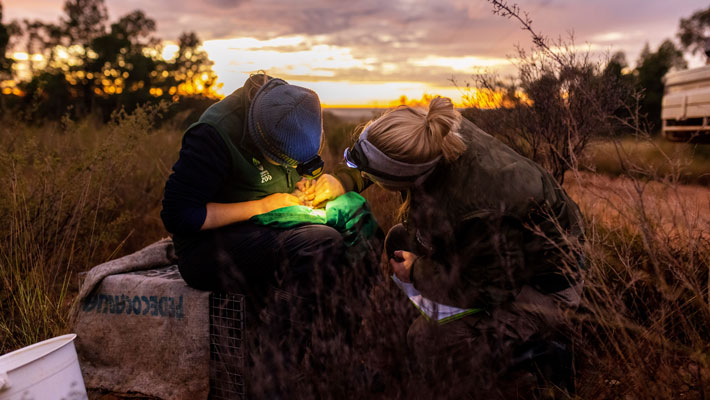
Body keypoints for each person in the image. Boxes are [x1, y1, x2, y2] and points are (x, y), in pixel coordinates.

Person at [343, 96, 585, 397]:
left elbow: (491, 288)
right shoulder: (440, 133)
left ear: (401, 178)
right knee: (398, 240)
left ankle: (538, 357)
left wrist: (418, 271)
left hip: (542, 285)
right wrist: (344, 181)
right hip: (497, 255)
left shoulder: (476, 208)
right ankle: (406, 353)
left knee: (427, 340)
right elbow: (388, 163)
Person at [160, 73, 373, 395]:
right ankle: (273, 374)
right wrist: (262, 206)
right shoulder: (213, 135)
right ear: (260, 142)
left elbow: (353, 165)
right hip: (208, 247)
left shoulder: (294, 110)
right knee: (319, 245)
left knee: (354, 224)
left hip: (270, 227)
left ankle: (338, 359)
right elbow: (179, 216)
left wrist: (326, 183)